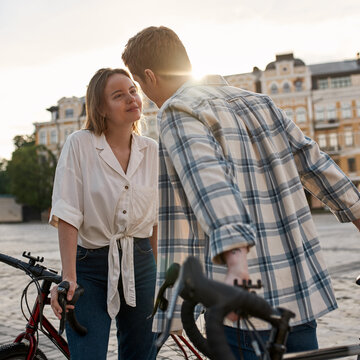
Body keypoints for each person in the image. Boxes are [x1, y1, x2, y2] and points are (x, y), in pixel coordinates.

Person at [121, 26, 360, 359]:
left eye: (140, 84)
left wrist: (237, 263)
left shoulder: (176, 111)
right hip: (297, 291)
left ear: (149, 76)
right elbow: (315, 164)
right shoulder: (260, 103)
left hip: (243, 297)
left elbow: (210, 183)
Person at [49, 68, 158, 360]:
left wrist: (161, 278)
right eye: (119, 95)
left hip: (143, 264)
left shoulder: (152, 151)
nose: (131, 98)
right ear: (100, 107)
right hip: (91, 268)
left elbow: (156, 221)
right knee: (88, 355)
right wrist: (68, 277)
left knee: (141, 355)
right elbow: (68, 211)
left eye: (133, 91)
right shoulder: (80, 144)